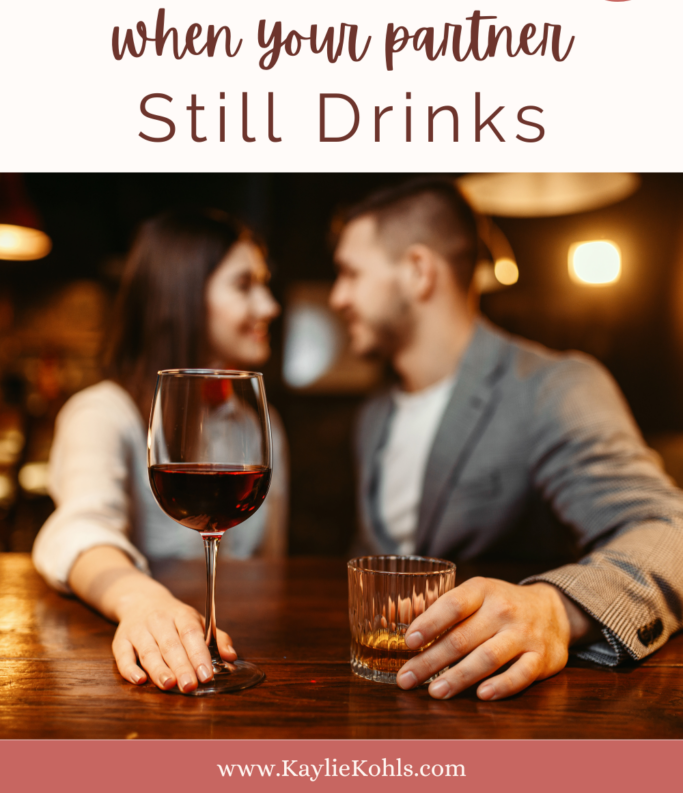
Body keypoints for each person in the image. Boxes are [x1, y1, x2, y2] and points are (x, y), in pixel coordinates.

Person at [329, 178, 683, 702]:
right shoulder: (372, 415)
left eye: (351, 273)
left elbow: (670, 530)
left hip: (500, 714)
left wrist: (555, 609)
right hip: (379, 702)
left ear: (418, 271)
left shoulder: (553, 387)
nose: (338, 297)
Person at [33, 207, 288, 694]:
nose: (270, 305)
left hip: (243, 659)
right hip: (151, 677)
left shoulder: (260, 420)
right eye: (244, 285)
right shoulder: (103, 413)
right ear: (184, 294)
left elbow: (270, 565)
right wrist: (141, 601)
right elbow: (77, 528)